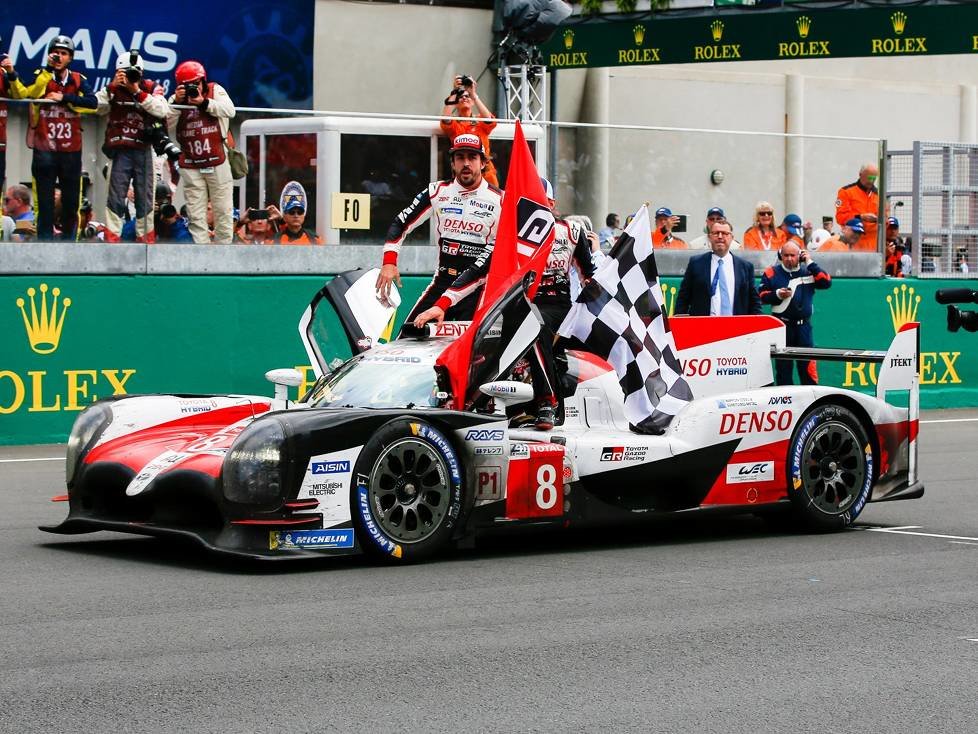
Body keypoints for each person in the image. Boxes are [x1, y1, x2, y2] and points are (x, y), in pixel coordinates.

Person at [413, 178, 596, 430]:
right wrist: (442, 305)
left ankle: (546, 402)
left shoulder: (571, 232)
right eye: (526, 204)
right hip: (518, 305)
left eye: (538, 203)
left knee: (532, 324)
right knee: (487, 332)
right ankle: (471, 402)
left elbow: (590, 278)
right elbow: (474, 273)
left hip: (557, 306)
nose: (531, 209)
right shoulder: (507, 238)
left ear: (551, 204)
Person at [377, 133, 503, 323]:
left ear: (483, 163)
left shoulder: (502, 200)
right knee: (407, 337)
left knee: (466, 351)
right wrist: (389, 262)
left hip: (478, 290)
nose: (466, 163)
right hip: (442, 282)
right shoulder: (437, 191)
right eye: (460, 157)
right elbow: (400, 222)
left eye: (472, 157)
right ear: (452, 163)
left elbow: (492, 260)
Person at [6, 36, 97, 240]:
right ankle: (44, 244)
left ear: (70, 58)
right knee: (44, 203)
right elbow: (32, 95)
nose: (59, 56)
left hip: (71, 151)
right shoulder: (41, 74)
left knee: (71, 202)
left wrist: (64, 98)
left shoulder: (78, 79)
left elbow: (92, 104)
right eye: (56, 52)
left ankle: (68, 244)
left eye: (64, 53)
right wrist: (47, 71)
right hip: (44, 149)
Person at [96, 52, 170, 243]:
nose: (130, 76)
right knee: (115, 197)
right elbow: (96, 106)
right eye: (126, 72)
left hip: (144, 149)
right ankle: (112, 240)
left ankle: (145, 240)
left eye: (135, 72)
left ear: (142, 72)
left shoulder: (152, 87)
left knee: (145, 198)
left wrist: (137, 91)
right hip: (120, 150)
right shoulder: (112, 89)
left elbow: (162, 110)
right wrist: (113, 86)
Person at [166, 60, 235, 243]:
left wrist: (204, 103)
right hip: (191, 163)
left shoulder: (214, 90)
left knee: (223, 211)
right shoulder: (175, 101)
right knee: (196, 215)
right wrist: (177, 104)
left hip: (217, 160)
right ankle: (201, 256)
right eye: (186, 85)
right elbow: (165, 124)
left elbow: (230, 110)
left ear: (203, 80)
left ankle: (224, 254)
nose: (192, 88)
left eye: (195, 84)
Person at [759, 241, 832, 385]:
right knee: (783, 369)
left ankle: (811, 400)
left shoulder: (808, 272)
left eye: (793, 255)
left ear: (800, 255)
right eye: (785, 255)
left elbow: (826, 282)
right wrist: (777, 294)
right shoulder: (771, 272)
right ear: (780, 256)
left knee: (808, 369)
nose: (789, 258)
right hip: (782, 327)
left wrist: (810, 262)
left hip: (803, 327)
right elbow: (760, 296)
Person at [674, 219, 762, 316]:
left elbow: (754, 303)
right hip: (703, 327)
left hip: (737, 327)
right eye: (716, 233)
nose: (720, 237)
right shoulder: (696, 264)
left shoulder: (745, 267)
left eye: (724, 233)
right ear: (709, 237)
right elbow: (683, 298)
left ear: (731, 237)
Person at [440, 75, 498, 187]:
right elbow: (445, 118)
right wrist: (455, 93)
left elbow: (489, 120)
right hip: (464, 176)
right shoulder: (455, 125)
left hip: (486, 174)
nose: (465, 98)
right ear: (456, 103)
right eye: (461, 97)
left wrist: (474, 94)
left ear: (472, 102)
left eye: (468, 96)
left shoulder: (480, 121)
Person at [835, 163, 880, 252]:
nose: (871, 181)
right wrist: (860, 217)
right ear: (860, 174)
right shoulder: (846, 192)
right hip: (853, 244)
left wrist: (878, 219)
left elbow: (886, 219)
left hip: (874, 246)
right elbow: (840, 217)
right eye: (869, 177)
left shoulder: (879, 195)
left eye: (873, 178)